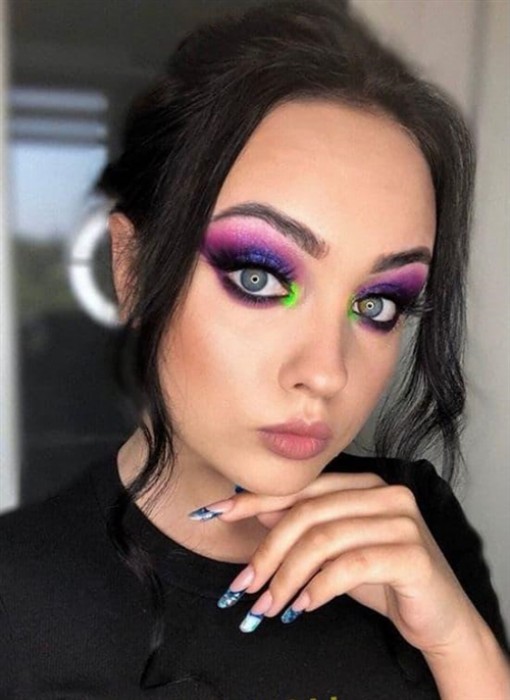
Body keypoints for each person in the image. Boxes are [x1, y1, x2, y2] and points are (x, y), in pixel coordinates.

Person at [1, 1, 509, 698]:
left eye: (376, 304)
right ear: (132, 269)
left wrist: (460, 645)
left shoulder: (413, 522)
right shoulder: (16, 592)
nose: (326, 373)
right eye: (258, 277)